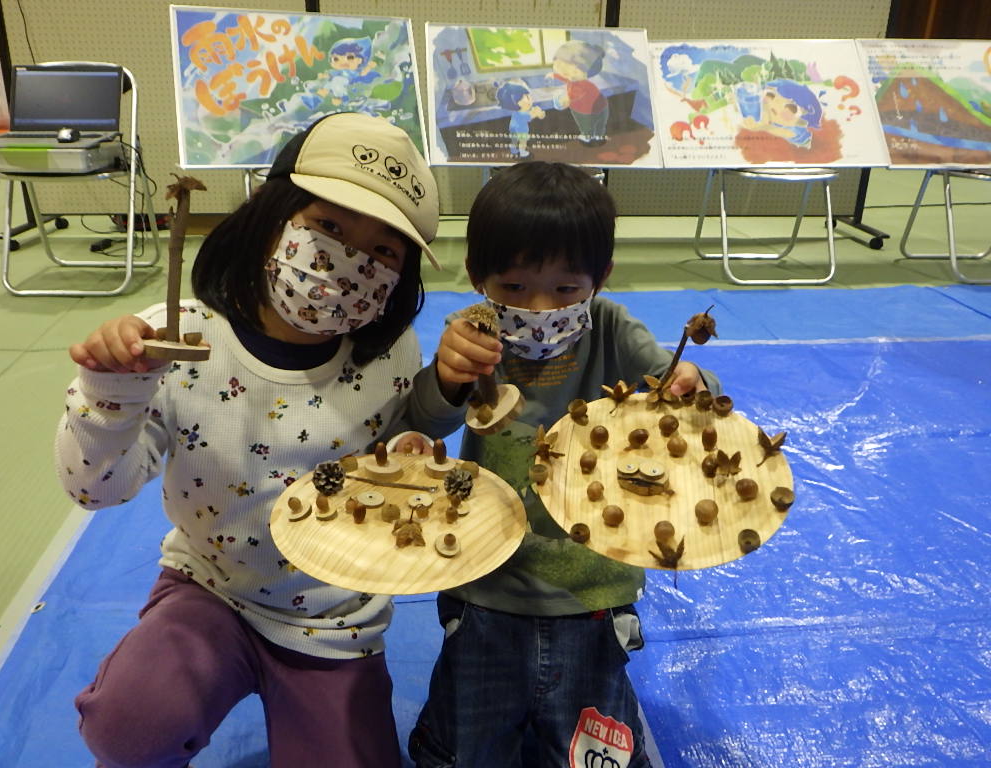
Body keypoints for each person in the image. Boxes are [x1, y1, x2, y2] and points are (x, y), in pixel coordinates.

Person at [55, 112, 463, 768]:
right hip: (212, 584)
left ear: (403, 276)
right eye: (328, 226)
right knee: (129, 726)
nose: (350, 260)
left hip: (333, 616)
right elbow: (95, 487)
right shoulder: (178, 341)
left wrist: (414, 447)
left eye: (384, 250)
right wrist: (112, 394)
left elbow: (388, 459)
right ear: (269, 217)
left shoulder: (389, 353)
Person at [407, 161, 722, 768]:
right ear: (478, 277)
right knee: (464, 746)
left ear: (599, 278)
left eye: (566, 289)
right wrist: (447, 377)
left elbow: (677, 389)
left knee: (589, 745)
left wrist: (692, 379)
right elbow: (426, 426)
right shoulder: (473, 334)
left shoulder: (610, 328)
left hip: (593, 591)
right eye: (515, 288)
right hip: (485, 583)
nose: (541, 307)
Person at [549, 40, 609, 146]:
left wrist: (566, 98)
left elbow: (577, 94)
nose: (563, 73)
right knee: (599, 124)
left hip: (585, 111)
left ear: (586, 71)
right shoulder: (574, 79)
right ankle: (598, 135)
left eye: (570, 71)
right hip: (601, 106)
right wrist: (554, 76)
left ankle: (588, 136)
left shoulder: (583, 84)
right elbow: (566, 79)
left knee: (587, 124)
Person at [496, 80, 545, 158]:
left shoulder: (516, 113)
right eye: (528, 97)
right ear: (518, 103)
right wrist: (537, 113)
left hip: (512, 127)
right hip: (521, 130)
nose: (531, 100)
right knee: (523, 142)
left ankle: (514, 151)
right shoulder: (523, 114)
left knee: (514, 140)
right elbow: (531, 116)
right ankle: (523, 153)